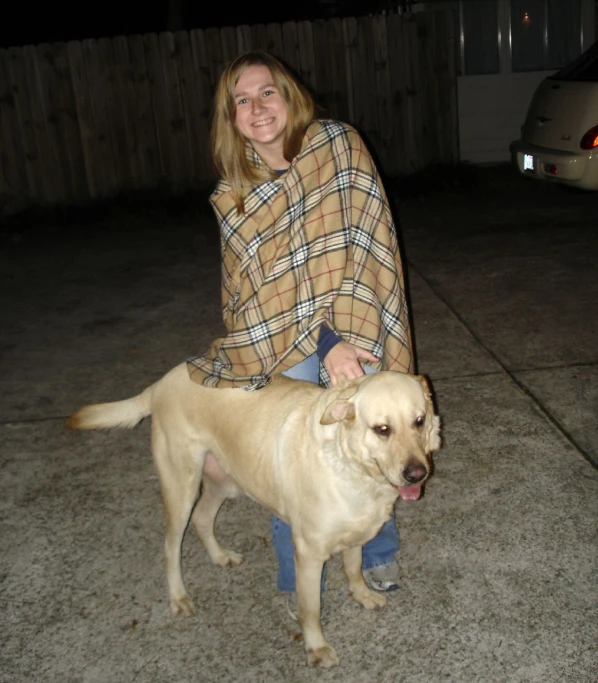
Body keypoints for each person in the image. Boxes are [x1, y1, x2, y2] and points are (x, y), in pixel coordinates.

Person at [186, 51, 414, 617]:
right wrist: (321, 343)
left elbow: (365, 248)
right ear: (231, 117)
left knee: (373, 441)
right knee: (292, 459)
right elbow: (248, 295)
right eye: (243, 99)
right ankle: (297, 573)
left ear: (290, 97)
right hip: (284, 343)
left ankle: (376, 546)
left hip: (358, 324)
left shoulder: (339, 147)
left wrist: (341, 339)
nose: (258, 107)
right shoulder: (234, 196)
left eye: (269, 92)